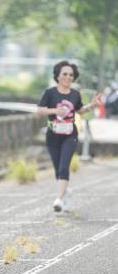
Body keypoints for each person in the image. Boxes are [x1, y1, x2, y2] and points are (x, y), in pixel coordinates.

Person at [38, 61, 102, 212]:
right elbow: (40, 110)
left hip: (70, 135)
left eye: (71, 75)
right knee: (57, 169)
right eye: (65, 74)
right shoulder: (50, 92)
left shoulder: (75, 94)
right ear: (58, 76)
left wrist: (91, 106)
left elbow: (78, 110)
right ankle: (65, 192)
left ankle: (59, 199)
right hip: (52, 135)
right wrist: (54, 111)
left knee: (63, 166)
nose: (68, 77)